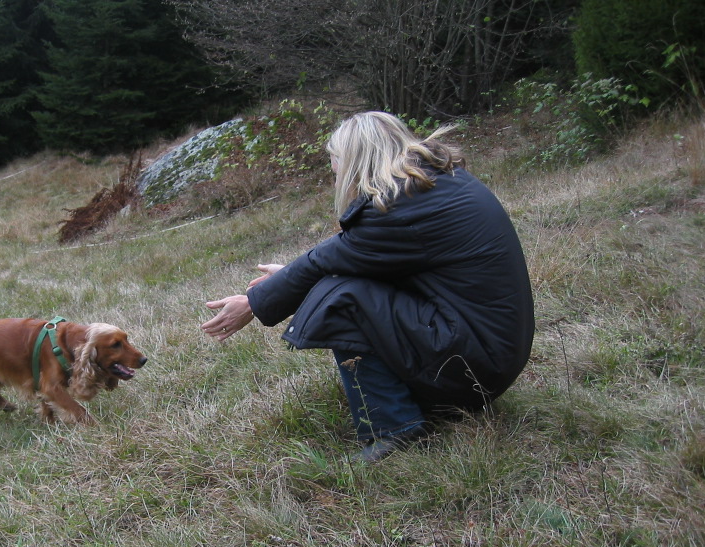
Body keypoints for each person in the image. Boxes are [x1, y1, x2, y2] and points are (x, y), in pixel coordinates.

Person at [201, 111, 534, 462]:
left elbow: (328, 259)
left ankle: (395, 428)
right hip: (487, 351)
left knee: (341, 298)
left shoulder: (400, 209)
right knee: (339, 285)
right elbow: (358, 260)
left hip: (474, 368)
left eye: (335, 161)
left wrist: (252, 303)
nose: (333, 171)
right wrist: (290, 278)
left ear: (356, 160)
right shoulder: (434, 185)